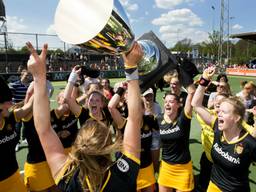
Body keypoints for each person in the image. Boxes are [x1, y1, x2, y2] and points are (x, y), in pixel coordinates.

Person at [26, 41, 143, 191]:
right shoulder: (123, 175)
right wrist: (131, 67)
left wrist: (38, 77)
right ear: (108, 144)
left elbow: (43, 130)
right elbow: (134, 119)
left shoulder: (69, 177)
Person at [192, 66, 256, 192]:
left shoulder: (249, 143)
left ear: (237, 118)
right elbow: (196, 105)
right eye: (218, 110)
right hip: (213, 186)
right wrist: (204, 80)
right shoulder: (217, 125)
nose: (218, 114)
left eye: (224, 111)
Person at [108, 88, 159, 192]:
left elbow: (156, 143)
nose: (134, 111)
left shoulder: (150, 120)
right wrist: (121, 90)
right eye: (131, 108)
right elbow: (111, 107)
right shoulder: (124, 123)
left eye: (137, 107)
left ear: (143, 109)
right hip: (130, 169)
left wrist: (156, 164)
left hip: (146, 167)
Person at [157, 79, 196, 192]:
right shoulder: (158, 119)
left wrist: (181, 67)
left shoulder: (183, 118)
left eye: (171, 101)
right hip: (166, 168)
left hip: (183, 169)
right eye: (166, 102)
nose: (167, 104)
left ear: (179, 104)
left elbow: (192, 92)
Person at [0, 77, 33, 192]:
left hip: (15, 179)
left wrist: (38, 83)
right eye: (6, 101)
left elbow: (28, 107)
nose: (10, 104)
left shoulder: (10, 117)